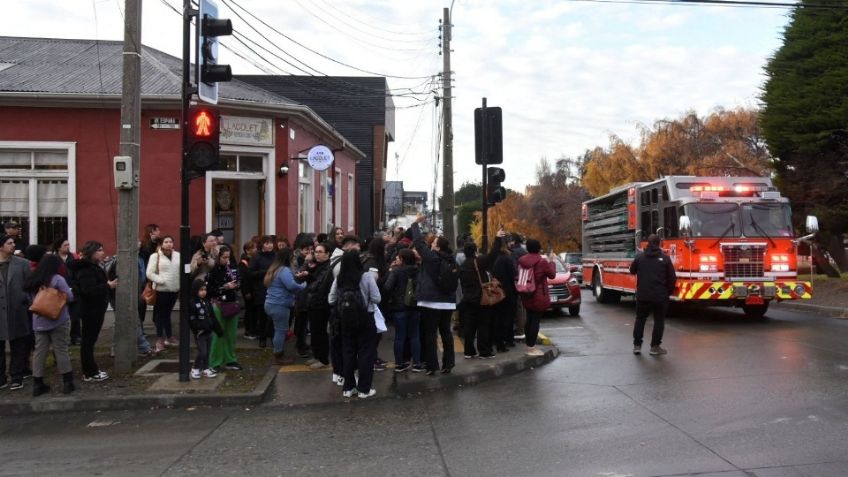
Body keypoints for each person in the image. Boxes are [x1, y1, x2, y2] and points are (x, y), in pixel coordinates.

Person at [328, 250, 381, 399]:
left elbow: (331, 299)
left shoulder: (339, 278)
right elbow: (377, 298)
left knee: (348, 351)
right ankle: (364, 389)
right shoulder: (366, 277)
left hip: (345, 320)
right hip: (366, 318)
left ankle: (348, 387)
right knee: (366, 352)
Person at [410, 214, 457, 375]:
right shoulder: (452, 260)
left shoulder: (432, 258)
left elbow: (418, 242)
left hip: (430, 302)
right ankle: (449, 364)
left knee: (430, 334)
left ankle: (432, 366)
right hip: (448, 302)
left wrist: (415, 224)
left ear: (437, 247)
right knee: (446, 332)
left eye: (434, 243)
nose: (431, 245)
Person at [25, 254, 75, 396]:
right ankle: (67, 382)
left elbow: (29, 299)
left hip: (39, 320)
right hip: (58, 319)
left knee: (39, 351)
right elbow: (69, 297)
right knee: (61, 349)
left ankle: (37, 383)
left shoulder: (33, 280)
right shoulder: (57, 279)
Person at [69, 241, 116, 382]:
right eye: (99, 250)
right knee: (88, 341)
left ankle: (91, 369)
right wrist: (107, 285)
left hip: (95, 308)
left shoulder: (92, 266)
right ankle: (90, 372)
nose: (103, 252)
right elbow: (88, 290)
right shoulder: (86, 269)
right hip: (91, 309)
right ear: (92, 253)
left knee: (89, 341)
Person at [629, 234, 676, 356]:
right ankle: (655, 347)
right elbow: (672, 277)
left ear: (648, 243)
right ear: (659, 243)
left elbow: (632, 270)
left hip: (643, 295)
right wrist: (668, 292)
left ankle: (637, 346)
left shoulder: (640, 257)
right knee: (659, 321)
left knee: (640, 319)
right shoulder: (665, 259)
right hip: (660, 296)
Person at [0, 233, 33, 389]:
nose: (13, 245)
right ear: (1, 247)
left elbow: (31, 286)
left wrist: (26, 300)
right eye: (9, 243)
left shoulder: (22, 264)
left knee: (18, 345)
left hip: (17, 310)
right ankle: (1, 378)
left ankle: (17, 376)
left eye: (13, 242)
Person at [263, 248, 306, 365]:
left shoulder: (274, 268)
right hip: (280, 304)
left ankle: (278, 352)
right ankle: (278, 355)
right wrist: (304, 285)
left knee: (278, 330)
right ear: (288, 258)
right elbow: (291, 286)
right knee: (280, 331)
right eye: (292, 256)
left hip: (270, 303)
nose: (294, 258)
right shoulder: (284, 270)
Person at [383, 248, 422, 372]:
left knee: (400, 336)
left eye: (398, 257)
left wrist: (390, 271)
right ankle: (416, 363)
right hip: (415, 307)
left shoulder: (396, 272)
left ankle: (399, 364)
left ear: (403, 259)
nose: (395, 259)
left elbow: (387, 288)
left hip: (399, 308)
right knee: (415, 336)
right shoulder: (418, 271)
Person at [517, 239, 555, 357]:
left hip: (526, 293)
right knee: (535, 321)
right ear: (538, 248)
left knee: (529, 318)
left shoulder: (522, 260)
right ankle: (531, 348)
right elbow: (552, 275)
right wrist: (552, 261)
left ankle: (529, 345)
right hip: (538, 295)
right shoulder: (542, 261)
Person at [207, 246, 242, 371]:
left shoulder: (232, 267)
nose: (227, 260)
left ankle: (230, 360)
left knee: (231, 334)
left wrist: (237, 284)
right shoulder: (213, 270)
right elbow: (209, 290)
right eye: (224, 257)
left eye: (228, 257)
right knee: (218, 334)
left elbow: (238, 282)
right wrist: (224, 287)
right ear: (218, 257)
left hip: (232, 303)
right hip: (219, 304)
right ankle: (215, 362)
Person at [302, 242, 335, 369]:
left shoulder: (328, 267)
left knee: (320, 332)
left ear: (327, 254)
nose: (317, 254)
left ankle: (323, 359)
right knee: (314, 332)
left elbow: (319, 283)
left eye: (320, 252)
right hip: (313, 302)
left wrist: (308, 276)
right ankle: (316, 355)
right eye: (316, 252)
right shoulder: (316, 265)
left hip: (321, 304)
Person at [146, 235, 180, 353]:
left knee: (167, 314)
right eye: (166, 242)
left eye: (171, 241)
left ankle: (169, 337)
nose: (169, 244)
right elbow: (149, 273)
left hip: (174, 290)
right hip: (161, 290)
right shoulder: (155, 256)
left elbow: (181, 271)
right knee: (160, 316)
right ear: (161, 244)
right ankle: (159, 339)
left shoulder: (178, 256)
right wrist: (161, 280)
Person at [248, 236, 276, 348]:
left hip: (275, 289)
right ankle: (262, 338)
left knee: (274, 316)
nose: (270, 245)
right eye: (267, 243)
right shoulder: (256, 257)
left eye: (271, 243)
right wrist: (265, 272)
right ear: (262, 245)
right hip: (261, 289)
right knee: (263, 316)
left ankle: (274, 338)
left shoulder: (276, 256)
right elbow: (250, 274)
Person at [189, 280, 218, 379]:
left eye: (205, 290)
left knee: (208, 352)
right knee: (202, 351)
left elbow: (211, 316)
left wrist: (216, 328)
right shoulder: (193, 303)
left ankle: (205, 368)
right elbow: (192, 320)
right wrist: (197, 329)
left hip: (209, 331)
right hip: (200, 333)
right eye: (201, 290)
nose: (203, 292)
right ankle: (195, 368)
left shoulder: (206, 301)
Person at [238, 241, 258, 340]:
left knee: (255, 310)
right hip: (248, 290)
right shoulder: (244, 263)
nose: (256, 249)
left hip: (255, 289)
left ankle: (254, 329)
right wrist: (246, 292)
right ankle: (248, 330)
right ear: (247, 251)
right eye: (253, 248)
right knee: (249, 310)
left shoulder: (254, 260)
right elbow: (243, 279)